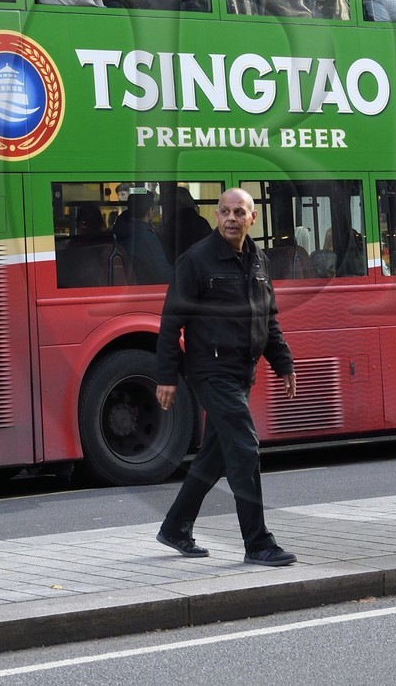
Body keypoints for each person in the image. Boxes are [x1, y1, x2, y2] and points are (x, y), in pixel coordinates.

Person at [155, 188, 298, 567]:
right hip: (210, 371)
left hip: (241, 372)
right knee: (245, 449)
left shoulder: (258, 260)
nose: (231, 218)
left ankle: (175, 527)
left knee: (214, 457)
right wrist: (166, 375)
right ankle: (258, 543)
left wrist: (283, 364)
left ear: (253, 219)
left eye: (239, 212)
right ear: (216, 216)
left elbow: (268, 319)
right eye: (224, 211)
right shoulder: (196, 261)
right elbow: (171, 321)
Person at [112, 192, 173, 284]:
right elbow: (164, 274)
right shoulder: (146, 237)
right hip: (148, 287)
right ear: (149, 211)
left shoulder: (122, 230)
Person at [55, 202, 113, 288]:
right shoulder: (73, 245)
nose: (89, 228)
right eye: (85, 224)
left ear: (99, 224)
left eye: (93, 223)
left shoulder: (109, 246)